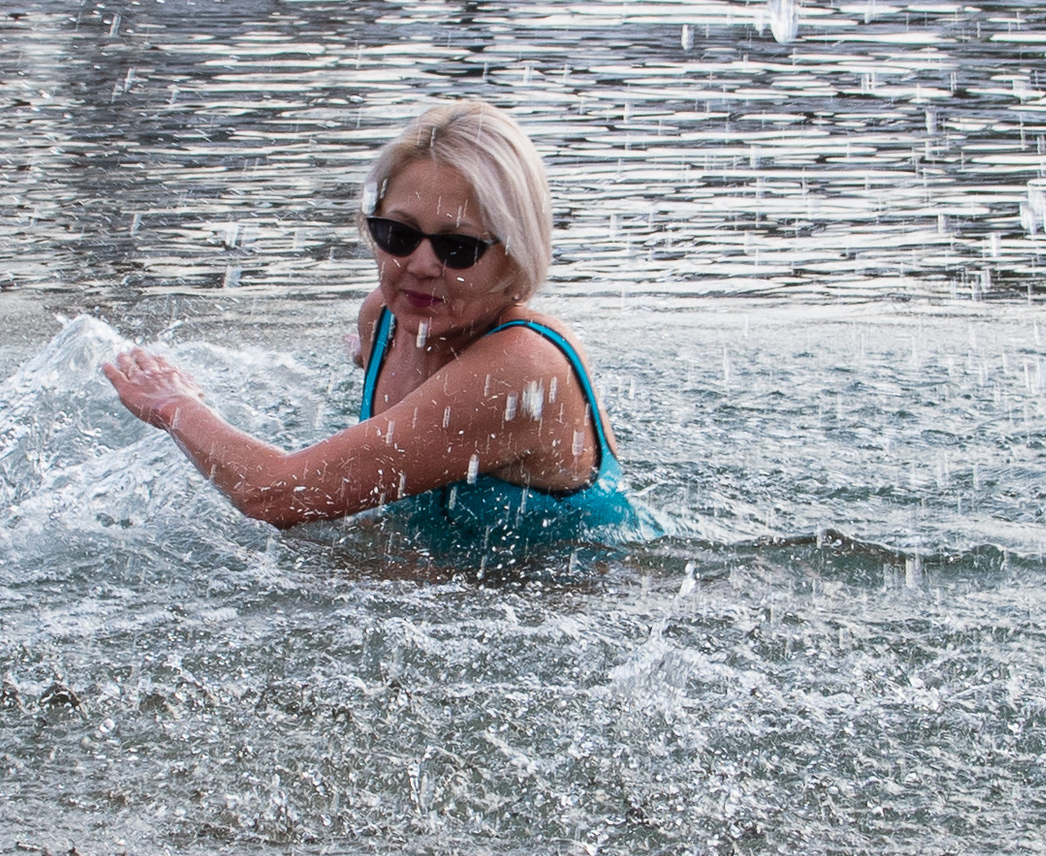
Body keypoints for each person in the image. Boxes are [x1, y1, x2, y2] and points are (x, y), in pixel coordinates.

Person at [100, 99, 641, 555]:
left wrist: (176, 405)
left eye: (458, 247)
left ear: (516, 254)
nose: (422, 265)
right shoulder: (384, 320)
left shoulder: (520, 369)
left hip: (583, 607)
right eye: (399, 235)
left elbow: (275, 496)